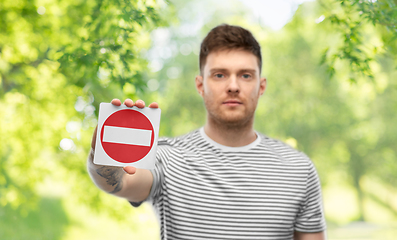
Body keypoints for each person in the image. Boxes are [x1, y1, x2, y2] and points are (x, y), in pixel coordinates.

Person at [88, 24, 327, 240]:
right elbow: (120, 182)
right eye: (219, 75)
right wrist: (103, 153)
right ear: (200, 85)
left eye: (245, 75)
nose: (233, 86)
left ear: (260, 86)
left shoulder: (298, 169)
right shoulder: (167, 157)